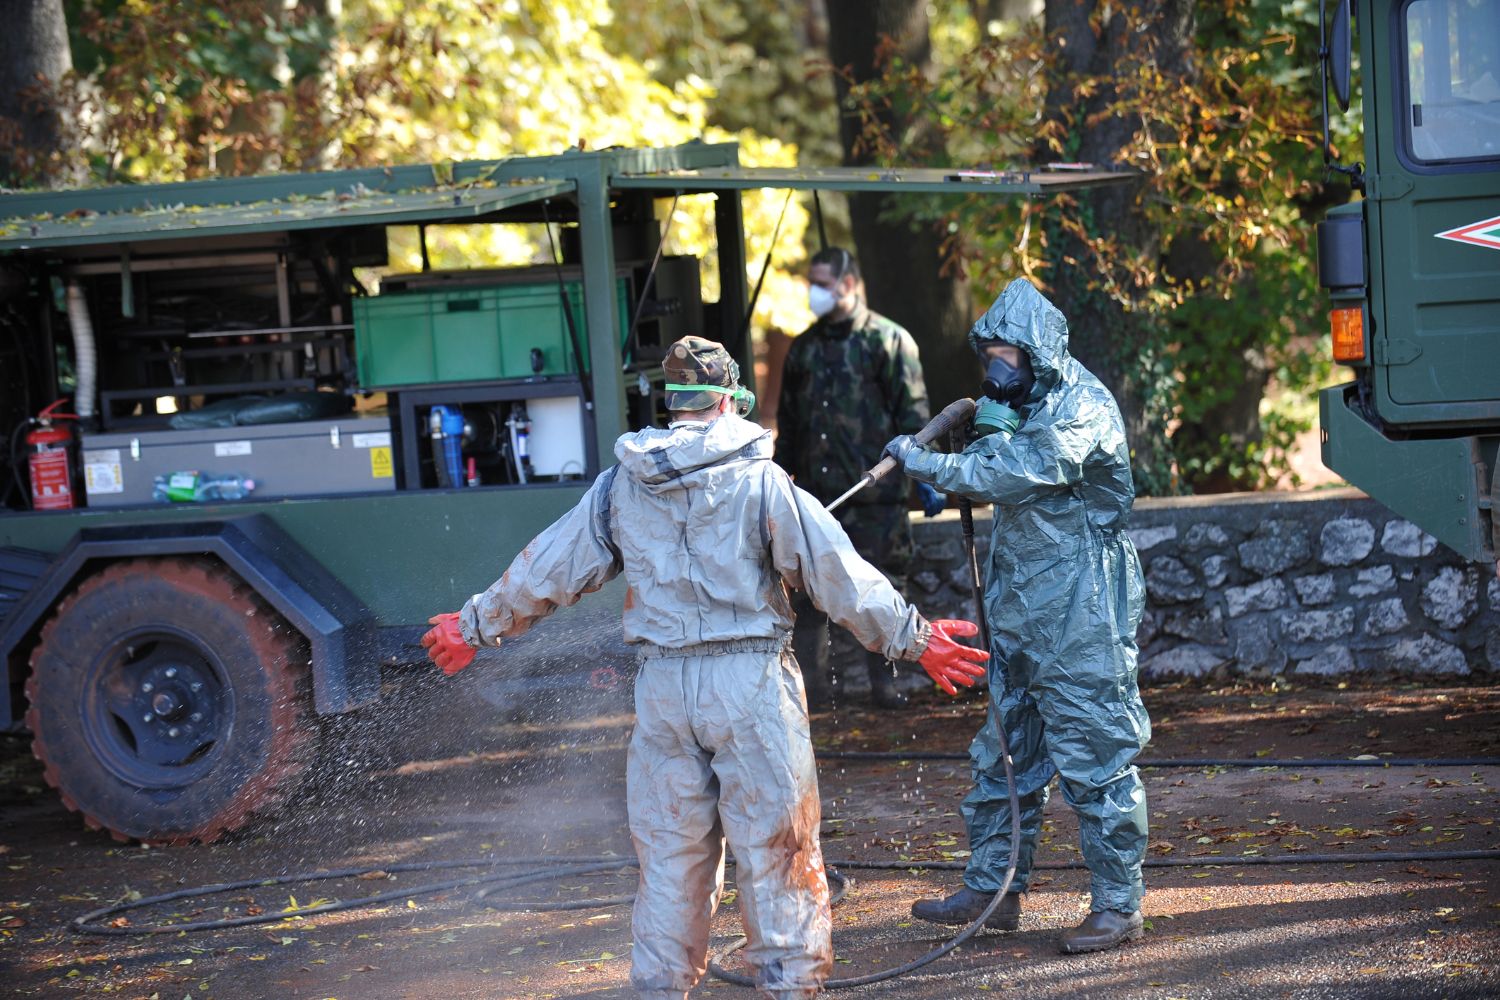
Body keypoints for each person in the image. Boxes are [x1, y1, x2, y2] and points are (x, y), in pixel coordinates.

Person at [421, 335, 990, 1000]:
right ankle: (789, 988)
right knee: (779, 855)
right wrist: (917, 640)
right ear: (727, 399)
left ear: (673, 404)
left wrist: (471, 628)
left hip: (663, 691)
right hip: (749, 688)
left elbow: (548, 565)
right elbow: (841, 578)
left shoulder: (619, 487)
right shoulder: (762, 483)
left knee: (669, 864)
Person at [883, 278, 1150, 955]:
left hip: (1082, 615)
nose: (996, 369)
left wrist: (927, 460)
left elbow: (1019, 471)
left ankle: (1118, 906)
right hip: (1023, 616)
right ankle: (991, 892)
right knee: (1002, 760)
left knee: (1097, 761)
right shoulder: (1020, 405)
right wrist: (964, 449)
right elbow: (991, 463)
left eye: (1008, 355)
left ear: (1040, 351)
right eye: (990, 356)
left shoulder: (1080, 407)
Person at [774, 246, 943, 709]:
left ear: (849, 284)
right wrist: (777, 486)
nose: (816, 292)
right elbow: (789, 428)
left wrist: (925, 475)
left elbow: (915, 420)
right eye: (812, 282)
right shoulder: (804, 349)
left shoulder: (889, 341)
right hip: (815, 500)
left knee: (885, 587)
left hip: (877, 497)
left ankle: (888, 689)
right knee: (808, 599)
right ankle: (814, 694)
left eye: (824, 283)